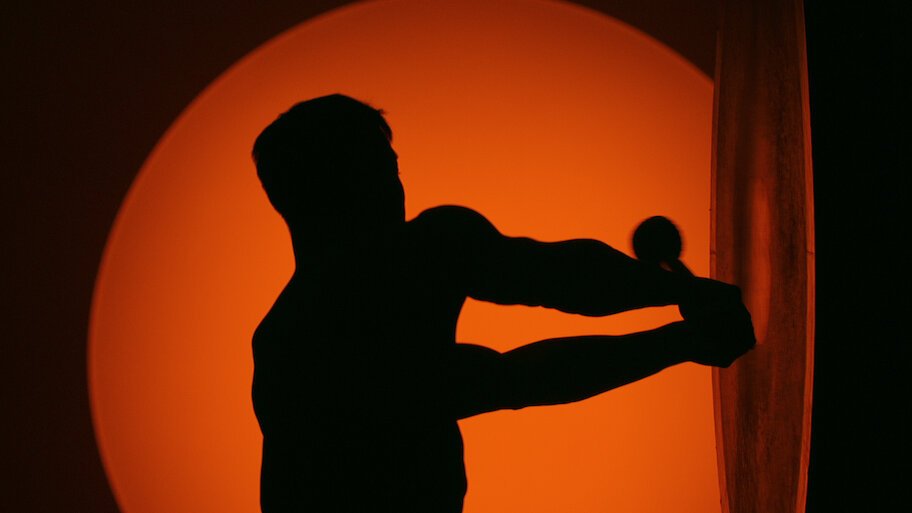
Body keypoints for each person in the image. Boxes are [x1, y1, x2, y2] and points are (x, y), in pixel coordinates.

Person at [250, 94, 755, 512]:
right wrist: (681, 325)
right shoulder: (315, 339)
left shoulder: (286, 342)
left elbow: (546, 289)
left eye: (392, 169)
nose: (394, 188)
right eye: (378, 170)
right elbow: (521, 365)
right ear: (337, 188)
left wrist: (678, 306)